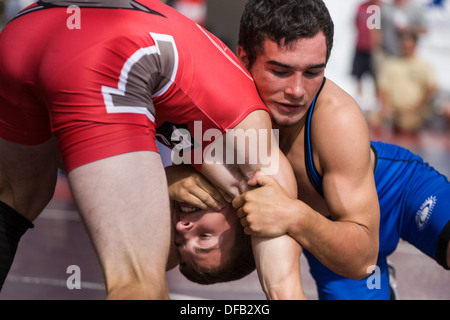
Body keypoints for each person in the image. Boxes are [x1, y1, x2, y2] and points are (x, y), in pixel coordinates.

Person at [0, 0, 300, 299]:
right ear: (247, 220)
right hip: (106, 50)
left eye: (182, 242)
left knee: (18, 196)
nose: (183, 228)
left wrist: (166, 180)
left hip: (27, 30)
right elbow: (284, 289)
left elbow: (80, 152)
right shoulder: (262, 166)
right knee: (140, 283)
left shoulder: (206, 150)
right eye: (204, 236)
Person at [167, 0, 450, 300]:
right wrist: (168, 179)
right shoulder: (211, 108)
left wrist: (295, 216)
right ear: (243, 57)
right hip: (330, 230)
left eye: (313, 72)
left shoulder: (335, 118)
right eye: (280, 71)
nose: (297, 91)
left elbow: (362, 255)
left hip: (396, 192)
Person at [372, 30, 437, 139]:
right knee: (372, 120)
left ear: (415, 45)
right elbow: (382, 88)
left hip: (413, 111)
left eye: (408, 43)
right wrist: (385, 107)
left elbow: (431, 89)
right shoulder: (391, 64)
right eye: (403, 43)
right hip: (391, 109)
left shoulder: (423, 66)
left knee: (405, 124)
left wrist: (417, 107)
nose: (405, 46)